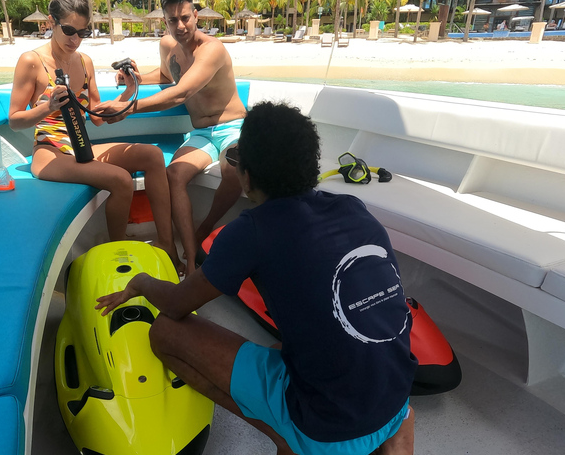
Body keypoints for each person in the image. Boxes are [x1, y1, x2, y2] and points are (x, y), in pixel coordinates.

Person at [96, 102, 418, 455]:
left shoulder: (251, 231)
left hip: (327, 427)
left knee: (164, 332)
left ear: (245, 176)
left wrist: (140, 282)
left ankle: (289, 437)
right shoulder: (353, 208)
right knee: (285, 347)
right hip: (397, 401)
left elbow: (175, 305)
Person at [8, 0, 180, 269]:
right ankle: (116, 251)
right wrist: (47, 108)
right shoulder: (31, 61)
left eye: (82, 32)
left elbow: (97, 118)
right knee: (120, 180)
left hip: (80, 145)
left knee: (152, 156)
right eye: (68, 30)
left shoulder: (84, 62)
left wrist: (129, 88)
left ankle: (166, 244)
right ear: (52, 22)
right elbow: (14, 120)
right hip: (49, 151)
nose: (74, 39)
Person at [93, 0, 247, 274]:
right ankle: (189, 259)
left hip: (233, 128)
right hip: (201, 133)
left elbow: (180, 93)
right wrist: (135, 79)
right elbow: (167, 75)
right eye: (172, 20)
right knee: (173, 174)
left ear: (196, 15)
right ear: (163, 21)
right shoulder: (167, 46)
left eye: (185, 17)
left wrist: (127, 108)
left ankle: (204, 229)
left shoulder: (212, 49)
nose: (180, 26)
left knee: (233, 168)